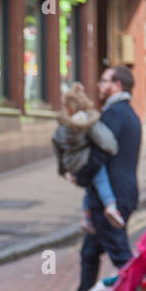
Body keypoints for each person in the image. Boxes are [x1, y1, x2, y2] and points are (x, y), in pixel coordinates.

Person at [54, 65, 141, 291]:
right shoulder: (129, 114)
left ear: (116, 85)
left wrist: (80, 177)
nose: (99, 86)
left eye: (104, 81)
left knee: (123, 259)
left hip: (108, 201)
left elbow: (101, 154)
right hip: (116, 196)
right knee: (89, 254)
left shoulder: (113, 114)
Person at [52, 82, 123, 234]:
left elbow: (56, 145)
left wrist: (63, 170)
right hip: (86, 160)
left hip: (71, 164)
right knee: (100, 179)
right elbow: (108, 143)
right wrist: (112, 149)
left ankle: (86, 217)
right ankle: (111, 206)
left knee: (90, 189)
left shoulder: (62, 125)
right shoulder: (88, 122)